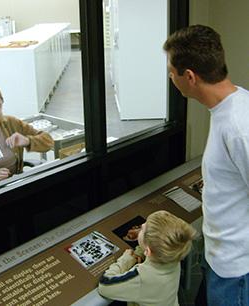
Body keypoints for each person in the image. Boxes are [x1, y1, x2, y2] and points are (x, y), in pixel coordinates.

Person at [163, 25, 249, 305]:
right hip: (219, 259)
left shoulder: (238, 127)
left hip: (235, 271)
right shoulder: (230, 106)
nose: (169, 76)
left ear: (189, 77)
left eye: (171, 71)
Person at [98, 210, 196, 306]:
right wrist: (141, 249)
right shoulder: (173, 255)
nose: (140, 228)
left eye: (142, 229)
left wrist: (125, 261)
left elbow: (105, 286)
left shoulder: (142, 278)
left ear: (148, 251)